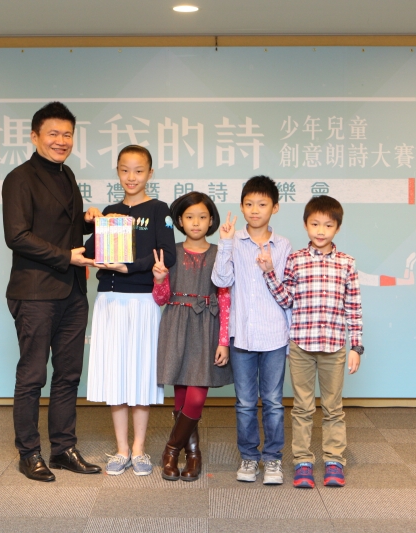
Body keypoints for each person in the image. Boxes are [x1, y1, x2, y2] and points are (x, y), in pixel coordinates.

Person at [2, 101, 102, 482]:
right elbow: (17, 235)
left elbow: (60, 227)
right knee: (32, 376)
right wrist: (65, 256)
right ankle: (29, 453)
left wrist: (87, 222)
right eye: (54, 134)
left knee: (68, 374)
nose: (62, 141)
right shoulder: (19, 179)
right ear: (35, 136)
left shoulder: (67, 174)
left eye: (68, 134)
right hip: (35, 292)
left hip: (73, 290)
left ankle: (63, 448)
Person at [256, 194, 363, 489]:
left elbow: (353, 308)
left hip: (334, 347)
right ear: (306, 225)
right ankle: (302, 461)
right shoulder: (296, 259)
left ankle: (334, 461)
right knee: (302, 407)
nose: (320, 230)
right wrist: (269, 273)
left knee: (333, 408)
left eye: (328, 225)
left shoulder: (347, 264)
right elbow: (286, 300)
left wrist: (356, 347)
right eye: (315, 224)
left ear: (337, 228)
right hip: (301, 345)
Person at [84, 145, 177, 477]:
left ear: (150, 173)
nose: (131, 177)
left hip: (142, 301)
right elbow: (93, 251)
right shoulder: (111, 211)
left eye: (138, 170)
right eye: (125, 170)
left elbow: (168, 255)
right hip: (109, 301)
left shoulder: (159, 209)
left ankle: (138, 449)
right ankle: (121, 449)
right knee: (116, 374)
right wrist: (93, 221)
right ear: (117, 172)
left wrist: (130, 267)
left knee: (140, 374)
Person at [211, 176, 291, 485]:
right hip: (242, 335)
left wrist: (270, 270)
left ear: (275, 207)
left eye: (262, 204)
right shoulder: (233, 241)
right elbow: (221, 281)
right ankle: (248, 457)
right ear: (242, 206)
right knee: (245, 403)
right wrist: (225, 243)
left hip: (274, 335)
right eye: (249, 204)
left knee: (273, 402)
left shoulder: (284, 246)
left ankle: (272, 459)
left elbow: (287, 294)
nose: (255, 210)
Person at [152, 192, 233, 482]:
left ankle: (171, 450)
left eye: (202, 217)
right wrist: (160, 280)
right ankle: (193, 454)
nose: (196, 222)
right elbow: (161, 299)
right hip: (176, 324)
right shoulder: (170, 252)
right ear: (179, 220)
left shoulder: (221, 252)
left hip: (207, 325)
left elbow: (225, 298)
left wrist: (223, 340)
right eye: (189, 217)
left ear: (211, 220)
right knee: (181, 396)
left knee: (196, 397)